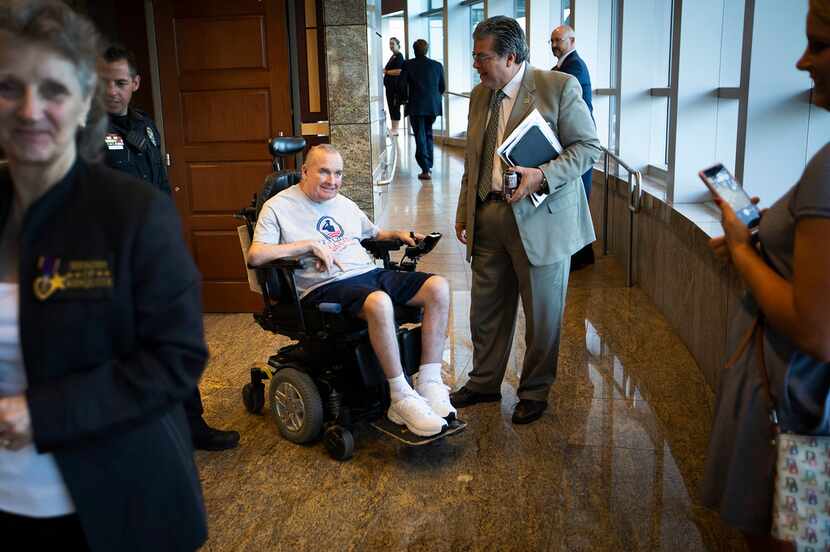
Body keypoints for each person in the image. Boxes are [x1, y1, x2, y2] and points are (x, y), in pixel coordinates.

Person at [0, 1, 208, 549]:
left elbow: (176, 358)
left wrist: (42, 414)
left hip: (112, 502)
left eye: (52, 89)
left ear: (82, 101)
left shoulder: (133, 213)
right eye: (8, 86)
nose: (28, 109)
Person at [701, 2, 830, 550]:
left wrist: (741, 248)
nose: (803, 62)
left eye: (820, 46)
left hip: (798, 406)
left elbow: (816, 327)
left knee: (786, 536)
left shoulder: (828, 169)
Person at [451, 16, 600, 425]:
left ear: (511, 57)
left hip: (541, 218)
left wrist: (542, 175)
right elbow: (475, 158)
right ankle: (483, 382)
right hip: (489, 214)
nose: (476, 65)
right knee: (485, 309)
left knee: (543, 314)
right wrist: (466, 210)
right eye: (475, 57)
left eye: (483, 57)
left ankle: (534, 390)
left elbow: (588, 148)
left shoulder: (558, 88)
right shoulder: (481, 95)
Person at [247, 144, 454, 437]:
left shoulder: (342, 203)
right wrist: (307, 245)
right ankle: (401, 397)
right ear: (305, 171)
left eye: (338, 173)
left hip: (367, 273)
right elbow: (256, 255)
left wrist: (396, 234)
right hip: (324, 286)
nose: (332, 180)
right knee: (379, 302)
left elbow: (372, 233)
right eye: (324, 172)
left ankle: (429, 383)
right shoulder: (278, 207)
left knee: (438, 287)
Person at [99, 44, 239, 451]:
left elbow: (160, 190)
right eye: (104, 82)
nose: (112, 91)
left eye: (120, 83)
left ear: (135, 84)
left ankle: (191, 426)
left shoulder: (146, 128)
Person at [551, 24, 596, 271]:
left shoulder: (574, 68)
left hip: (577, 143)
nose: (555, 45)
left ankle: (581, 256)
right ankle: (579, 254)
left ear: (572, 40)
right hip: (569, 142)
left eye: (559, 40)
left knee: (578, 199)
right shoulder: (563, 67)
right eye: (552, 41)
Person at [401, 39, 445, 181]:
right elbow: (442, 87)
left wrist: (403, 99)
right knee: (428, 134)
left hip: (416, 106)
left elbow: (402, 85)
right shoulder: (437, 65)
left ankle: (425, 168)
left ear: (414, 50)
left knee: (420, 134)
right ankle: (429, 165)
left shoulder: (408, 64)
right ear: (427, 50)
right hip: (432, 106)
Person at [383, 37, 405, 136]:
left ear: (398, 45)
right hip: (390, 87)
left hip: (395, 88)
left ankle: (395, 129)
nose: (391, 46)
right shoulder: (393, 56)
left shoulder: (399, 56)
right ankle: (393, 128)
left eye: (393, 44)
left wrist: (387, 71)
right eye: (390, 44)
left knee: (395, 107)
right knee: (391, 107)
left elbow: (399, 71)